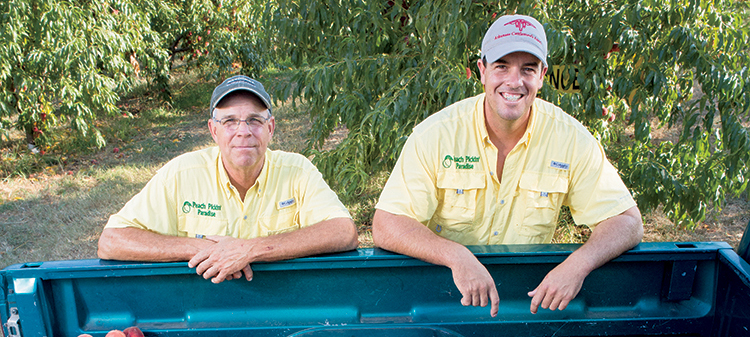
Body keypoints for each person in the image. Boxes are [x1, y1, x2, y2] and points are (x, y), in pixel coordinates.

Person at [372, 14, 643, 316]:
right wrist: (456, 255)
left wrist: (577, 266)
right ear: (482, 71)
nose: (515, 82)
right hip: (443, 294)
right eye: (502, 66)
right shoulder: (436, 135)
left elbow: (627, 222)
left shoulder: (570, 139)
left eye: (528, 69)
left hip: (526, 299)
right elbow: (387, 224)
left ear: (542, 75)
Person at [98, 75, 358, 283]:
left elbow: (344, 233)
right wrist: (197, 248)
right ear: (213, 130)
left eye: (255, 120)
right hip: (202, 309)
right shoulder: (181, 174)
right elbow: (111, 242)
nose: (243, 132)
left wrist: (248, 249)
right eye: (230, 121)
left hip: (284, 304)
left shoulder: (297, 171)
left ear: (271, 128)